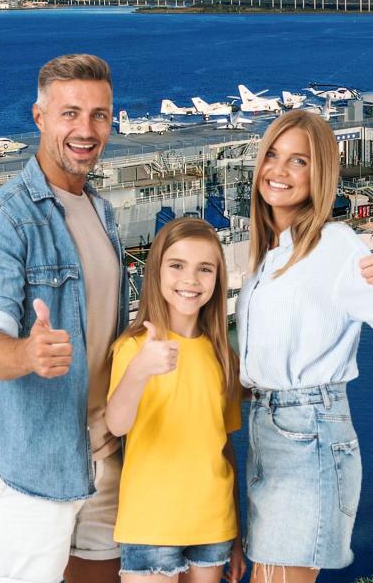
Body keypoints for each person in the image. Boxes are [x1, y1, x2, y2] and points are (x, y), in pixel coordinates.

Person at [236, 110, 373, 583]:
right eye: (273, 156)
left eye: (297, 161)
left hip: (309, 435)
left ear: (319, 173)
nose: (278, 171)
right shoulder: (268, 254)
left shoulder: (338, 246)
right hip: (266, 430)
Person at [0, 53, 128, 583]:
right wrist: (28, 353)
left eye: (99, 115)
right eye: (70, 113)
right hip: (31, 466)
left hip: (105, 454)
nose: (86, 130)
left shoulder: (102, 212)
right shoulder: (3, 218)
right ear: (39, 117)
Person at [105, 218, 246, 583]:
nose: (191, 280)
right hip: (151, 524)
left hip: (213, 525)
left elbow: (224, 446)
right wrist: (140, 371)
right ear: (157, 272)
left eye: (205, 269)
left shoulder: (222, 356)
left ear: (217, 279)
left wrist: (236, 534)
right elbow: (117, 425)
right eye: (177, 266)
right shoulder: (134, 348)